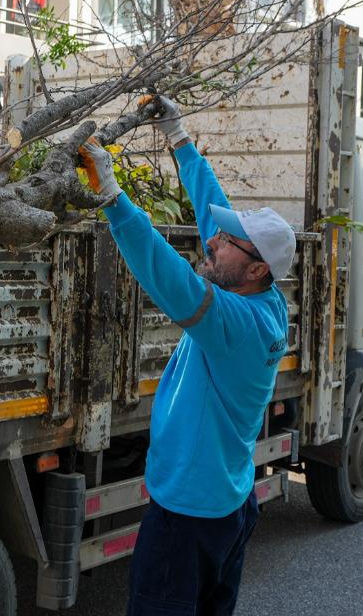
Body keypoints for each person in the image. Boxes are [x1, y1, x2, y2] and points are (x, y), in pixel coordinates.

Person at [82, 96, 296, 616]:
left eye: (226, 242)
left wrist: (113, 197)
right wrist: (177, 138)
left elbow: (169, 278)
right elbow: (211, 214)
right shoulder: (261, 299)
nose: (212, 242)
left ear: (255, 269)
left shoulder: (235, 322)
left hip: (189, 518)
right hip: (227, 502)